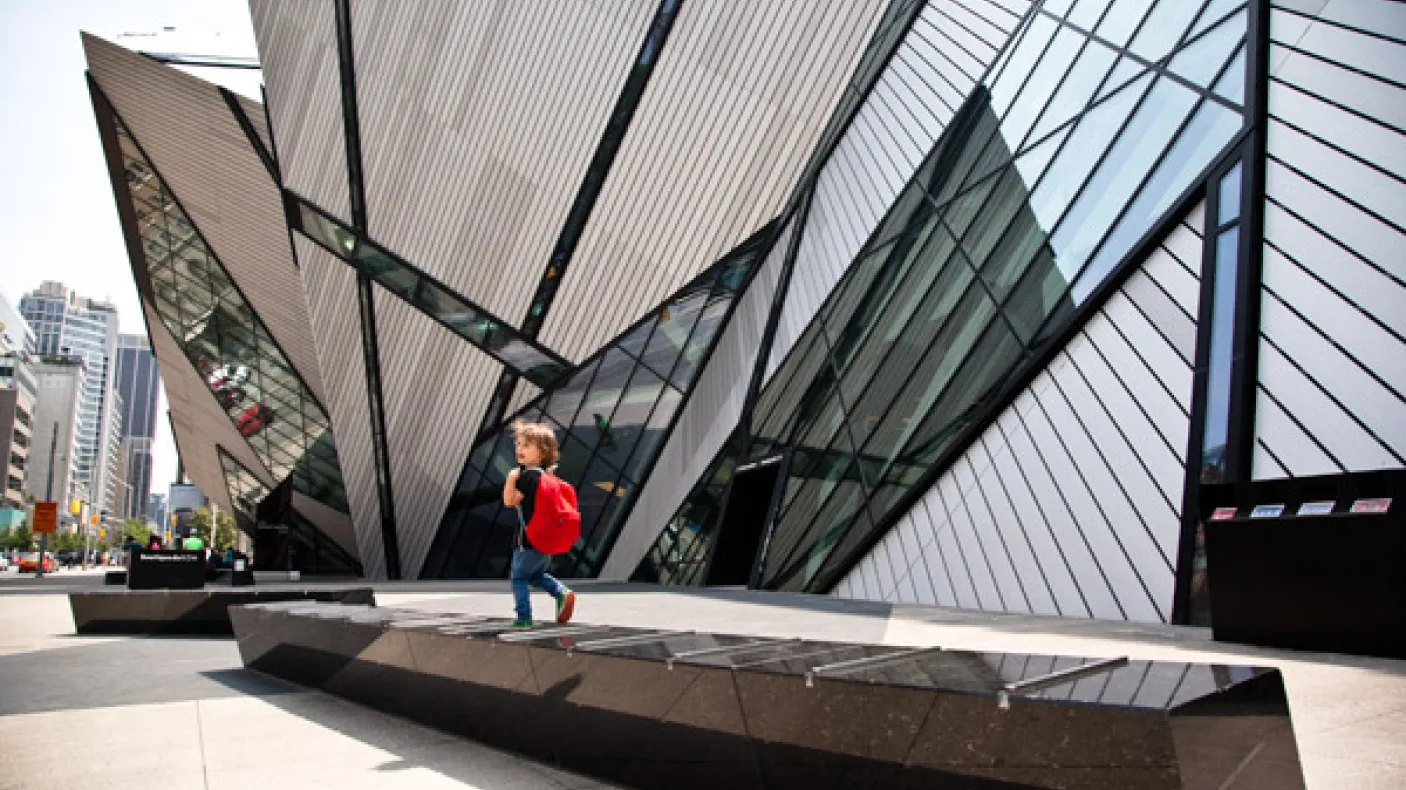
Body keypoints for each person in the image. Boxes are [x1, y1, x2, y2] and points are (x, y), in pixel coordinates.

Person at [502, 420, 576, 628]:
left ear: (542, 452)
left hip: (527, 540)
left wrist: (510, 479)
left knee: (518, 578)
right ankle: (561, 592)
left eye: (526, 445)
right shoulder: (546, 477)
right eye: (518, 444)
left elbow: (510, 501)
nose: (519, 449)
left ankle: (523, 618)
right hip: (545, 541)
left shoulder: (528, 477)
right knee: (535, 575)